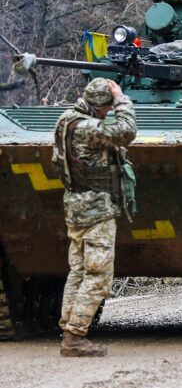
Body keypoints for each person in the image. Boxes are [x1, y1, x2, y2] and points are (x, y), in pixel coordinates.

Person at [53, 78, 136, 357]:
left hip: (75, 205)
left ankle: (69, 329)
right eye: (107, 109)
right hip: (97, 209)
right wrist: (122, 99)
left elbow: (57, 161)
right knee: (98, 275)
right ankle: (75, 338)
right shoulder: (89, 127)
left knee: (78, 271)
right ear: (100, 106)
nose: (107, 113)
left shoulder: (66, 120)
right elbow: (126, 131)